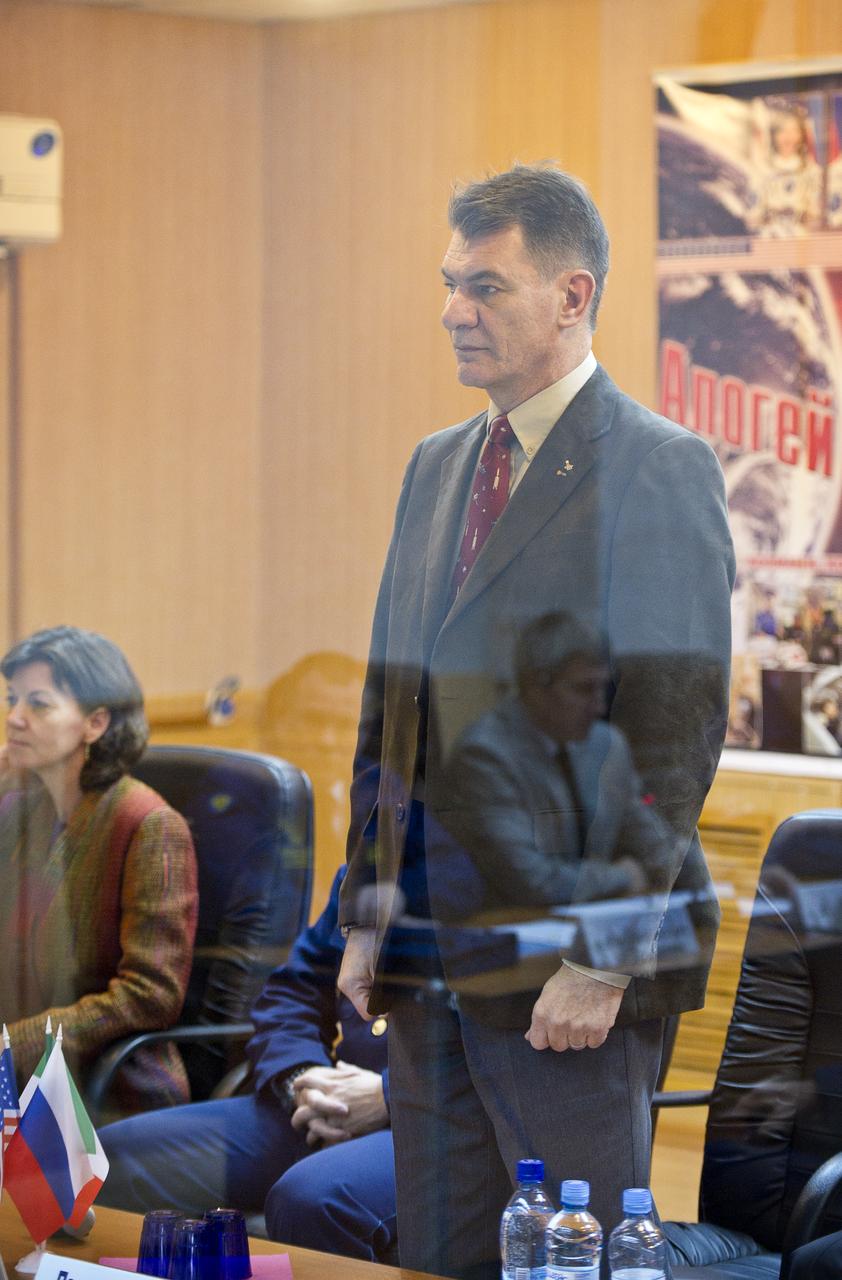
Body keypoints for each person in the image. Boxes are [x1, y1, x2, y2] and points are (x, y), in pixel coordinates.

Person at [336, 164, 735, 1280]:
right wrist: (366, 911)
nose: (452, 311)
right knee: (442, 1252)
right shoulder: (435, 465)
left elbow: (670, 733)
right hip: (426, 952)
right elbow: (391, 708)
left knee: (578, 1261)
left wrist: (601, 957)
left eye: (485, 287)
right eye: (448, 283)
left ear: (571, 295)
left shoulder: (657, 466)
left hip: (569, 975)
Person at [98, 867, 396, 1263]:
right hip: (325, 1104)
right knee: (115, 1159)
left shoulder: (481, 867)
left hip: (433, 1125)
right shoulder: (369, 864)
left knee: (311, 1199)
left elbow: (499, 1044)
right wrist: (301, 1076)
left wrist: (387, 1097)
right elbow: (292, 994)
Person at [0, 625, 198, 1110]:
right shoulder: (22, 809)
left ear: (96, 723)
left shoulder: (149, 824)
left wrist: (14, 1045)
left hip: (104, 1085)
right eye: (12, 699)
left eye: (38, 704)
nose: (14, 718)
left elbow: (151, 995)